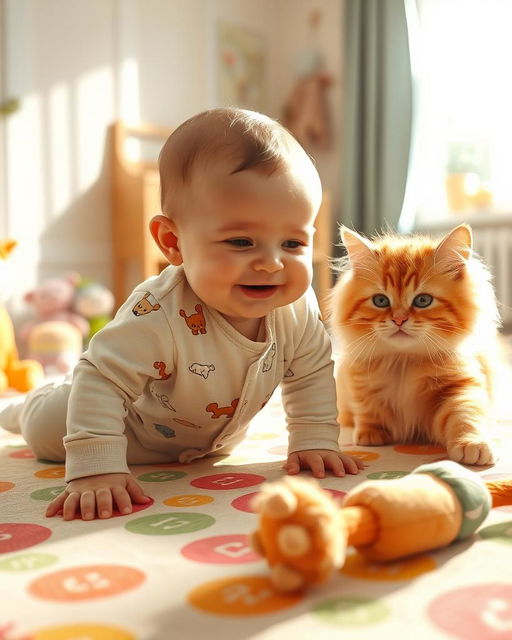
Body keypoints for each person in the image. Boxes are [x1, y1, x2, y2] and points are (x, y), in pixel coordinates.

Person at [0, 107, 364, 521]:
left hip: (210, 437)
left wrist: (314, 439)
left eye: (293, 244)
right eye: (242, 241)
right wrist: (95, 468)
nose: (271, 263)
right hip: (124, 425)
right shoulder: (157, 313)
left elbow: (312, 370)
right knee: (48, 416)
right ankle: (20, 406)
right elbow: (101, 380)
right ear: (172, 241)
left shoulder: (296, 307)